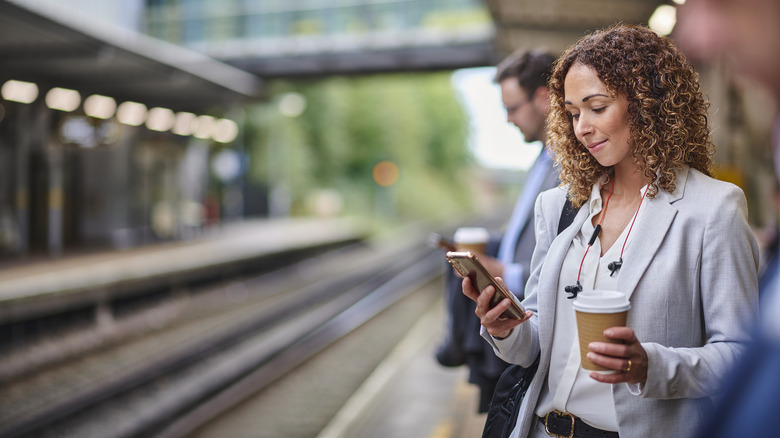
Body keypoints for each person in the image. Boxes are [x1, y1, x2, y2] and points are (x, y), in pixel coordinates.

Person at [462, 24, 759, 438]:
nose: (581, 127)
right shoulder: (560, 205)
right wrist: (505, 328)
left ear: (647, 103)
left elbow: (742, 357)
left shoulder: (713, 209)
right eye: (572, 112)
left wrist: (649, 366)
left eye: (596, 107)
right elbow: (533, 346)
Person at [675, 0, 780, 435]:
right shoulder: (573, 208)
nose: (698, 36)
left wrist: (651, 365)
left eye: (724, 3)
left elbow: (732, 347)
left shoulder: (718, 204)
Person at [435, 49, 559, 413]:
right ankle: (458, 343)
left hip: (530, 315)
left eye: (513, 108)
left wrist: (508, 272)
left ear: (543, 97)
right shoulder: (541, 159)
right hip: (515, 319)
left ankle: (457, 345)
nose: (508, 119)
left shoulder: (567, 165)